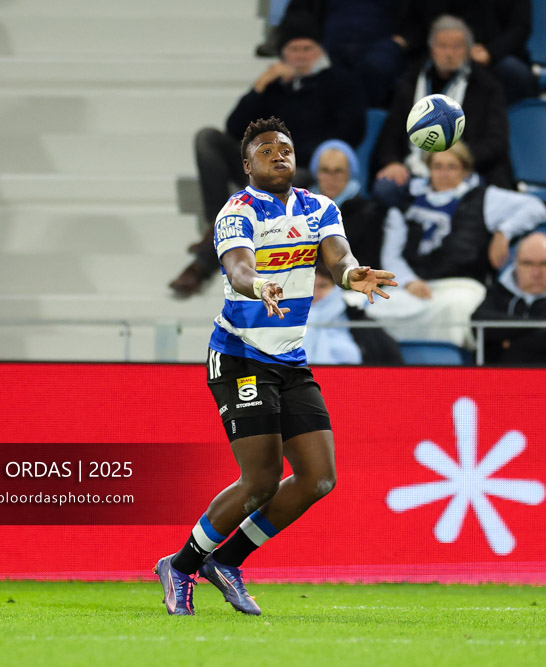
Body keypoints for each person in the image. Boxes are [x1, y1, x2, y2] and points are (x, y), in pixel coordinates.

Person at [155, 117, 396, 616]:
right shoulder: (236, 212)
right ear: (247, 165)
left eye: (284, 148)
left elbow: (338, 258)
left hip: (289, 359)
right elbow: (240, 267)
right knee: (260, 480)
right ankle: (180, 566)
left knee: (318, 479)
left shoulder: (319, 207)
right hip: (240, 355)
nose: (278, 155)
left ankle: (226, 562)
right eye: (266, 150)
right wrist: (256, 284)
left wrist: (355, 275)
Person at [170, 18, 366, 298]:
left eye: (306, 48)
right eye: (293, 49)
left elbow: (352, 130)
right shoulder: (275, 85)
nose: (300, 56)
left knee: (289, 176)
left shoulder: (339, 81)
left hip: (303, 170)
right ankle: (215, 222)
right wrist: (261, 85)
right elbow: (234, 128)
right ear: (283, 54)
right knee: (207, 138)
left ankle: (204, 257)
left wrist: (291, 154)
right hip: (260, 166)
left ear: (319, 50)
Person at [370, 140, 545, 348]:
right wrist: (409, 282)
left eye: (452, 167)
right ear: (428, 169)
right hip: (413, 287)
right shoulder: (406, 201)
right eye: (438, 166)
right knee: (372, 309)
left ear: (465, 170)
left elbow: (535, 207)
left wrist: (503, 232)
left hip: (461, 286)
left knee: (458, 308)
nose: (444, 173)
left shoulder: (484, 198)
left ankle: (450, 367)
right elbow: (391, 255)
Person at [371, 14, 511, 209]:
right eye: (442, 46)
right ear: (431, 49)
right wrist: (392, 162)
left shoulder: (486, 86)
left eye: (456, 47)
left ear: (469, 50)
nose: (449, 53)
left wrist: (460, 162)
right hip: (414, 167)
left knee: (486, 195)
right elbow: (391, 133)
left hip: (465, 169)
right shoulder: (411, 82)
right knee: (385, 189)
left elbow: (497, 141)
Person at [472, 232, 546, 365]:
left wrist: (510, 343)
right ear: (515, 263)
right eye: (528, 264)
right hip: (500, 381)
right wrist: (545, 325)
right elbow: (478, 324)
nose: (536, 273)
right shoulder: (499, 292)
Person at [392, 0, 536, 105]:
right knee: (413, 72)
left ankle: (512, 134)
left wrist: (490, 52)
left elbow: (520, 27)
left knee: (514, 73)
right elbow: (419, 21)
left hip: (493, 53)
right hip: (442, 50)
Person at [270, 0, 404, 107]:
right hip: (329, 43)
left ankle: (371, 126)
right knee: (322, 68)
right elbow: (299, 12)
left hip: (381, 43)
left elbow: (417, 14)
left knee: (377, 66)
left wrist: (406, 39)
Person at [304, 263, 403, 365]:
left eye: (322, 286)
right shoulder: (287, 323)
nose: (314, 294)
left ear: (335, 288)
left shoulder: (360, 323)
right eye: (309, 287)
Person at [309, 139, 384, 270]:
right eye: (325, 170)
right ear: (316, 174)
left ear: (350, 174)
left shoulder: (368, 213)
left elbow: (369, 264)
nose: (331, 178)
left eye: (338, 171)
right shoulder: (299, 206)